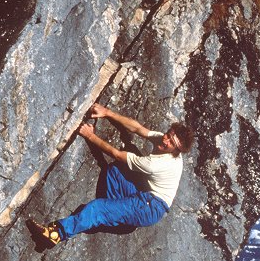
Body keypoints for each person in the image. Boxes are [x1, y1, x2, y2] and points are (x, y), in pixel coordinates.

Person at [29, 103, 195, 246]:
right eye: (168, 135)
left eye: (171, 143)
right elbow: (137, 128)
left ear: (176, 150)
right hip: (144, 196)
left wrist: (90, 136)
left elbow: (116, 154)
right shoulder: (162, 139)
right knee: (114, 171)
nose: (165, 141)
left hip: (151, 208)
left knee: (98, 208)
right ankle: (117, 214)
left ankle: (56, 234)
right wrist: (107, 112)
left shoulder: (157, 164)